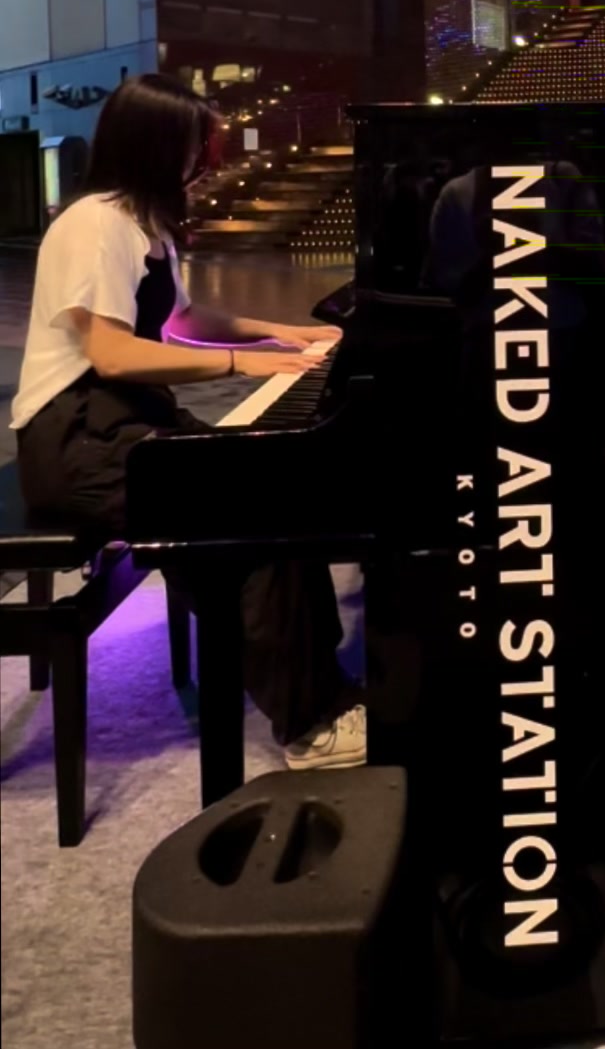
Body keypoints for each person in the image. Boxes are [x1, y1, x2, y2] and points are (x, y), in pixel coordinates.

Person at [10, 74, 365, 770]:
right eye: (195, 142)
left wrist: (285, 336)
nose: (206, 158)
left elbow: (183, 319)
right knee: (247, 509)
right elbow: (112, 353)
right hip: (75, 440)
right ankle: (308, 723)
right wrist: (241, 365)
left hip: (119, 426)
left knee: (278, 482)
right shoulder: (94, 225)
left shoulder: (142, 223)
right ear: (153, 143)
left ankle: (322, 684)